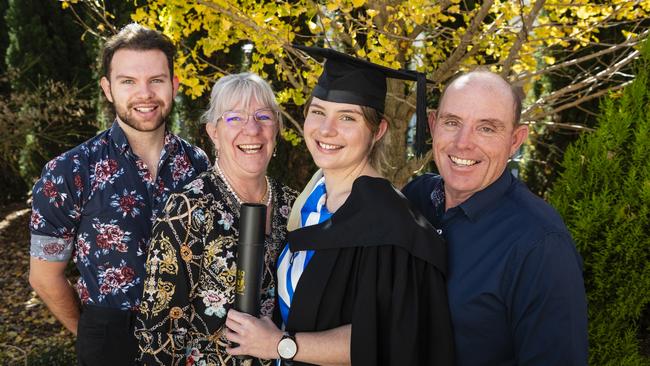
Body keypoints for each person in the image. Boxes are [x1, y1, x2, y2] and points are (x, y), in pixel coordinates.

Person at [225, 46, 454, 366]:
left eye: (347, 117)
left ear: (378, 131)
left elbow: (389, 338)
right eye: (318, 111)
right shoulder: (309, 201)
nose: (326, 129)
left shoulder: (391, 226)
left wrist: (280, 344)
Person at [28, 23, 211, 365]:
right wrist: (91, 335)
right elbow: (44, 276)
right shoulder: (68, 172)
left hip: (191, 342)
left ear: (173, 85)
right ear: (108, 89)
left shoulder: (197, 164)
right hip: (110, 340)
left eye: (156, 80)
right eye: (128, 81)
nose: (145, 93)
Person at [402, 70, 588, 365]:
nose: (463, 143)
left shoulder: (541, 245)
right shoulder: (415, 199)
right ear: (433, 125)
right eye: (452, 123)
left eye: (486, 128)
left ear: (515, 140)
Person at [134, 72, 297, 365]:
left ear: (277, 129)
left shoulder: (294, 207)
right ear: (213, 132)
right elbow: (158, 334)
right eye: (234, 118)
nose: (252, 130)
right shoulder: (186, 211)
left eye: (263, 117)